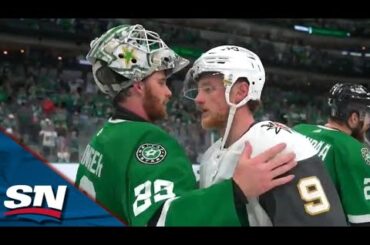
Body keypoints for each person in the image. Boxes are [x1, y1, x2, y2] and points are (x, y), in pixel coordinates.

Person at [75, 25, 297, 226]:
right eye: (161, 82)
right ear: (138, 86)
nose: (168, 92)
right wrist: (235, 190)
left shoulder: (103, 137)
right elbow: (159, 221)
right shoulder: (148, 142)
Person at [183, 45, 347, 226]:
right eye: (198, 90)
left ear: (241, 92)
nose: (198, 98)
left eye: (208, 89)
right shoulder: (209, 157)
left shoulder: (278, 145)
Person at [294, 83, 370, 226]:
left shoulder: (298, 131)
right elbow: (363, 220)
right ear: (354, 118)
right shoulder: (353, 150)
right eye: (366, 115)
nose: (368, 122)